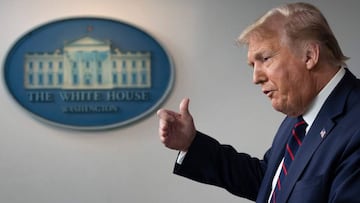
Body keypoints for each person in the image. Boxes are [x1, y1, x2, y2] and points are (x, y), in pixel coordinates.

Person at [157, 2, 360, 203]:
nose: (256, 77)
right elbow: (270, 182)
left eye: (265, 58)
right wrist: (191, 143)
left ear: (309, 56)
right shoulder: (301, 115)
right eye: (253, 65)